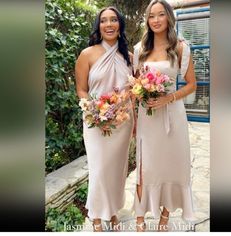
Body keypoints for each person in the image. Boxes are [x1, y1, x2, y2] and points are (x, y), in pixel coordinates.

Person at [133, 0, 197, 232]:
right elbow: (135, 84)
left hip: (172, 115)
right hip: (147, 117)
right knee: (145, 167)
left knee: (173, 164)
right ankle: (140, 218)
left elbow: (192, 85)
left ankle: (165, 217)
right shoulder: (140, 49)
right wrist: (138, 105)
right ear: (147, 20)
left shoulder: (180, 47)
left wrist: (168, 98)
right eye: (152, 16)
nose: (156, 20)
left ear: (169, 18)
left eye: (161, 15)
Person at [75, 6, 134, 232]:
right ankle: (96, 216)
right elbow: (81, 89)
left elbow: (133, 92)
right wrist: (94, 109)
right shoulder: (87, 54)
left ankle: (111, 211)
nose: (108, 24)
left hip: (122, 122)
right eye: (103, 21)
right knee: (99, 169)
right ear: (98, 26)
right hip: (95, 121)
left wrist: (135, 122)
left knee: (116, 170)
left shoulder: (129, 57)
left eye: (113, 20)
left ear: (120, 25)